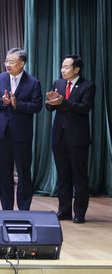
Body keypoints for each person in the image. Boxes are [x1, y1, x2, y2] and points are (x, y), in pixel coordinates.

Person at [0, 47, 42, 210]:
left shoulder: (33, 82)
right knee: (4, 174)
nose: (7, 65)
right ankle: (6, 208)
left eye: (12, 62)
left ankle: (24, 208)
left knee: (24, 173)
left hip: (22, 134)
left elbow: (37, 106)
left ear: (22, 63)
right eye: (6, 61)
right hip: (2, 133)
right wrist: (3, 102)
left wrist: (18, 104)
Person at [45, 54, 95, 223]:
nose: (62, 70)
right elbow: (50, 108)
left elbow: (84, 108)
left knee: (79, 177)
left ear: (76, 69)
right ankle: (64, 211)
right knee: (63, 176)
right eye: (62, 66)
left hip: (77, 138)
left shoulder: (87, 86)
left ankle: (79, 213)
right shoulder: (58, 83)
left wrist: (62, 102)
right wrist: (51, 102)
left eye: (66, 67)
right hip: (59, 137)